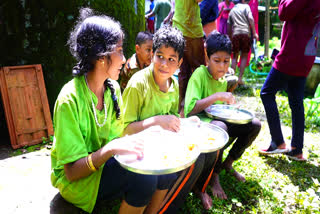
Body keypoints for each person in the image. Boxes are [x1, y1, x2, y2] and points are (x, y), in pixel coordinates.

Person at [50, 8, 175, 214]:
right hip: (77, 182)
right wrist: (110, 150)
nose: (125, 59)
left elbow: (117, 138)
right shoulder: (69, 99)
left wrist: (147, 133)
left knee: (160, 165)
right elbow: (71, 172)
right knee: (144, 178)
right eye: (119, 50)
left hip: (103, 166)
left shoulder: (112, 89)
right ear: (101, 57)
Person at [122, 26, 208, 214]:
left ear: (179, 63)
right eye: (160, 56)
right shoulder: (138, 84)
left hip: (158, 149)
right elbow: (124, 131)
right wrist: (156, 121)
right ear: (152, 54)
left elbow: (171, 120)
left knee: (174, 170)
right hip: (134, 152)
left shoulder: (174, 84)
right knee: (154, 177)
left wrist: (185, 123)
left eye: (171, 59)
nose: (164, 64)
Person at [184, 32, 261, 201]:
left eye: (226, 61)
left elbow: (220, 109)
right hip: (200, 124)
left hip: (218, 122)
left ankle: (228, 163)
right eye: (216, 61)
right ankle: (213, 178)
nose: (221, 67)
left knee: (254, 124)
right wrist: (217, 96)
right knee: (221, 128)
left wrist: (232, 108)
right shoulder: (200, 74)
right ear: (207, 57)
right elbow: (190, 110)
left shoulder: (223, 79)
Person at [259, 0, 320, 161]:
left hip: (291, 54)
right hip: (307, 53)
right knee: (296, 101)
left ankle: (278, 142)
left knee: (266, 93)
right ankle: (296, 149)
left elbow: (284, 12)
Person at [171, 0, 206, 117]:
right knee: (199, 70)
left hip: (178, 26)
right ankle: (196, 106)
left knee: (183, 71)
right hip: (191, 29)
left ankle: (181, 108)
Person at [227, 0, 259, 85]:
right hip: (245, 34)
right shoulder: (246, 7)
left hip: (235, 34)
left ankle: (232, 79)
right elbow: (251, 18)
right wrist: (254, 32)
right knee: (244, 56)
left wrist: (230, 38)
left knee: (234, 57)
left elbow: (229, 26)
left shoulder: (232, 10)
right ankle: (240, 79)